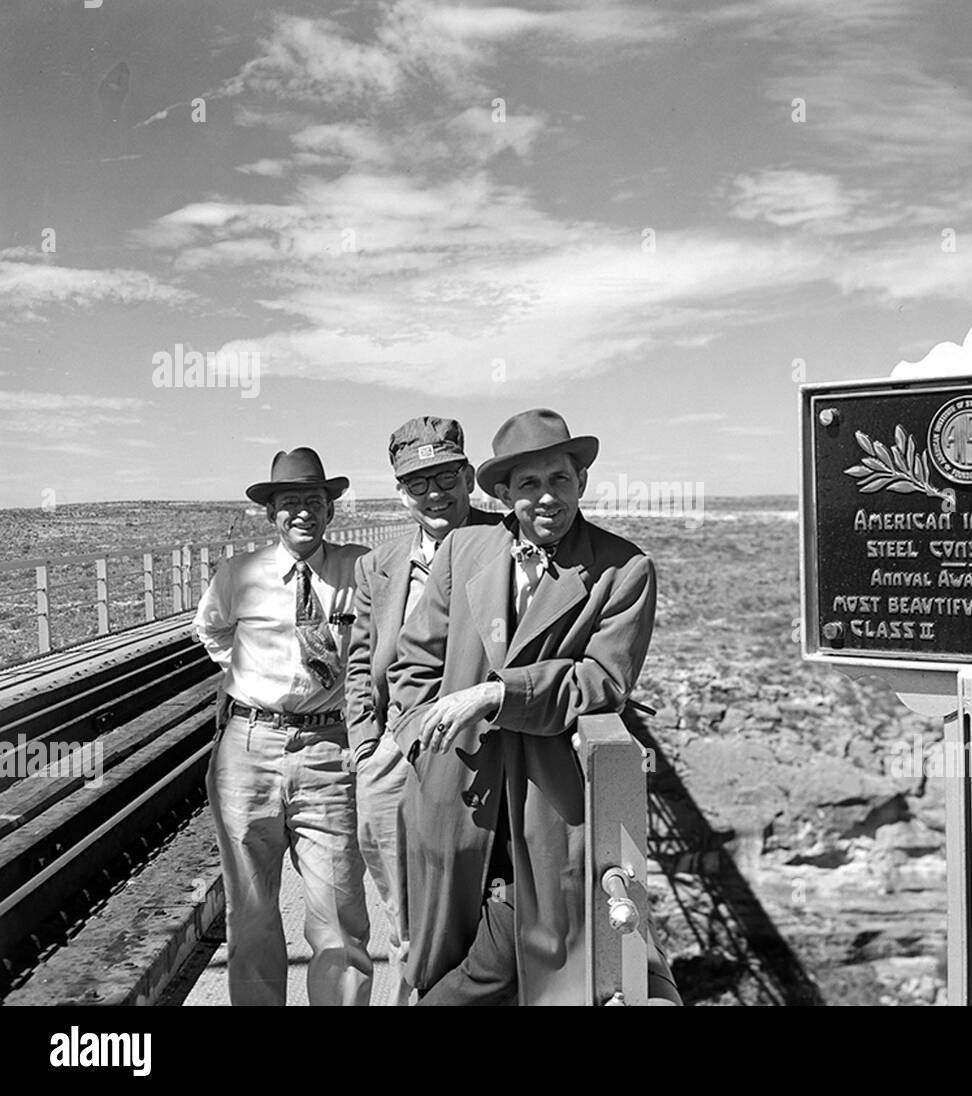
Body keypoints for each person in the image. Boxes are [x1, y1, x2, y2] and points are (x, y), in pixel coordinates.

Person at [387, 408, 680, 1005]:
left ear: (582, 483)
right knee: (442, 947)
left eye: (560, 481)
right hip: (457, 794)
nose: (547, 498)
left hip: (545, 804)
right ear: (503, 492)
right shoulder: (464, 550)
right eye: (529, 484)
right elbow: (412, 665)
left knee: (505, 961)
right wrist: (418, 741)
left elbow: (603, 681)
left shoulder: (622, 570)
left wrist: (499, 694)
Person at [194, 447, 372, 1006]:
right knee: (250, 915)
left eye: (313, 501)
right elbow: (213, 630)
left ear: (331, 510)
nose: (302, 513)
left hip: (329, 750)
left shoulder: (359, 569)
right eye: (289, 502)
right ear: (272, 513)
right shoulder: (238, 574)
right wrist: (254, 677)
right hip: (249, 750)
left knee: (339, 916)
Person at [345, 416, 501, 1006]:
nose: (435, 494)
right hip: (392, 751)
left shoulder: (505, 541)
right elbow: (360, 663)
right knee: (401, 905)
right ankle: (415, 991)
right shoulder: (378, 565)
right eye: (418, 484)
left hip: (476, 750)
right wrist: (365, 747)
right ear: (400, 492)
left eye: (445, 477)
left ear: (468, 477)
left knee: (469, 895)